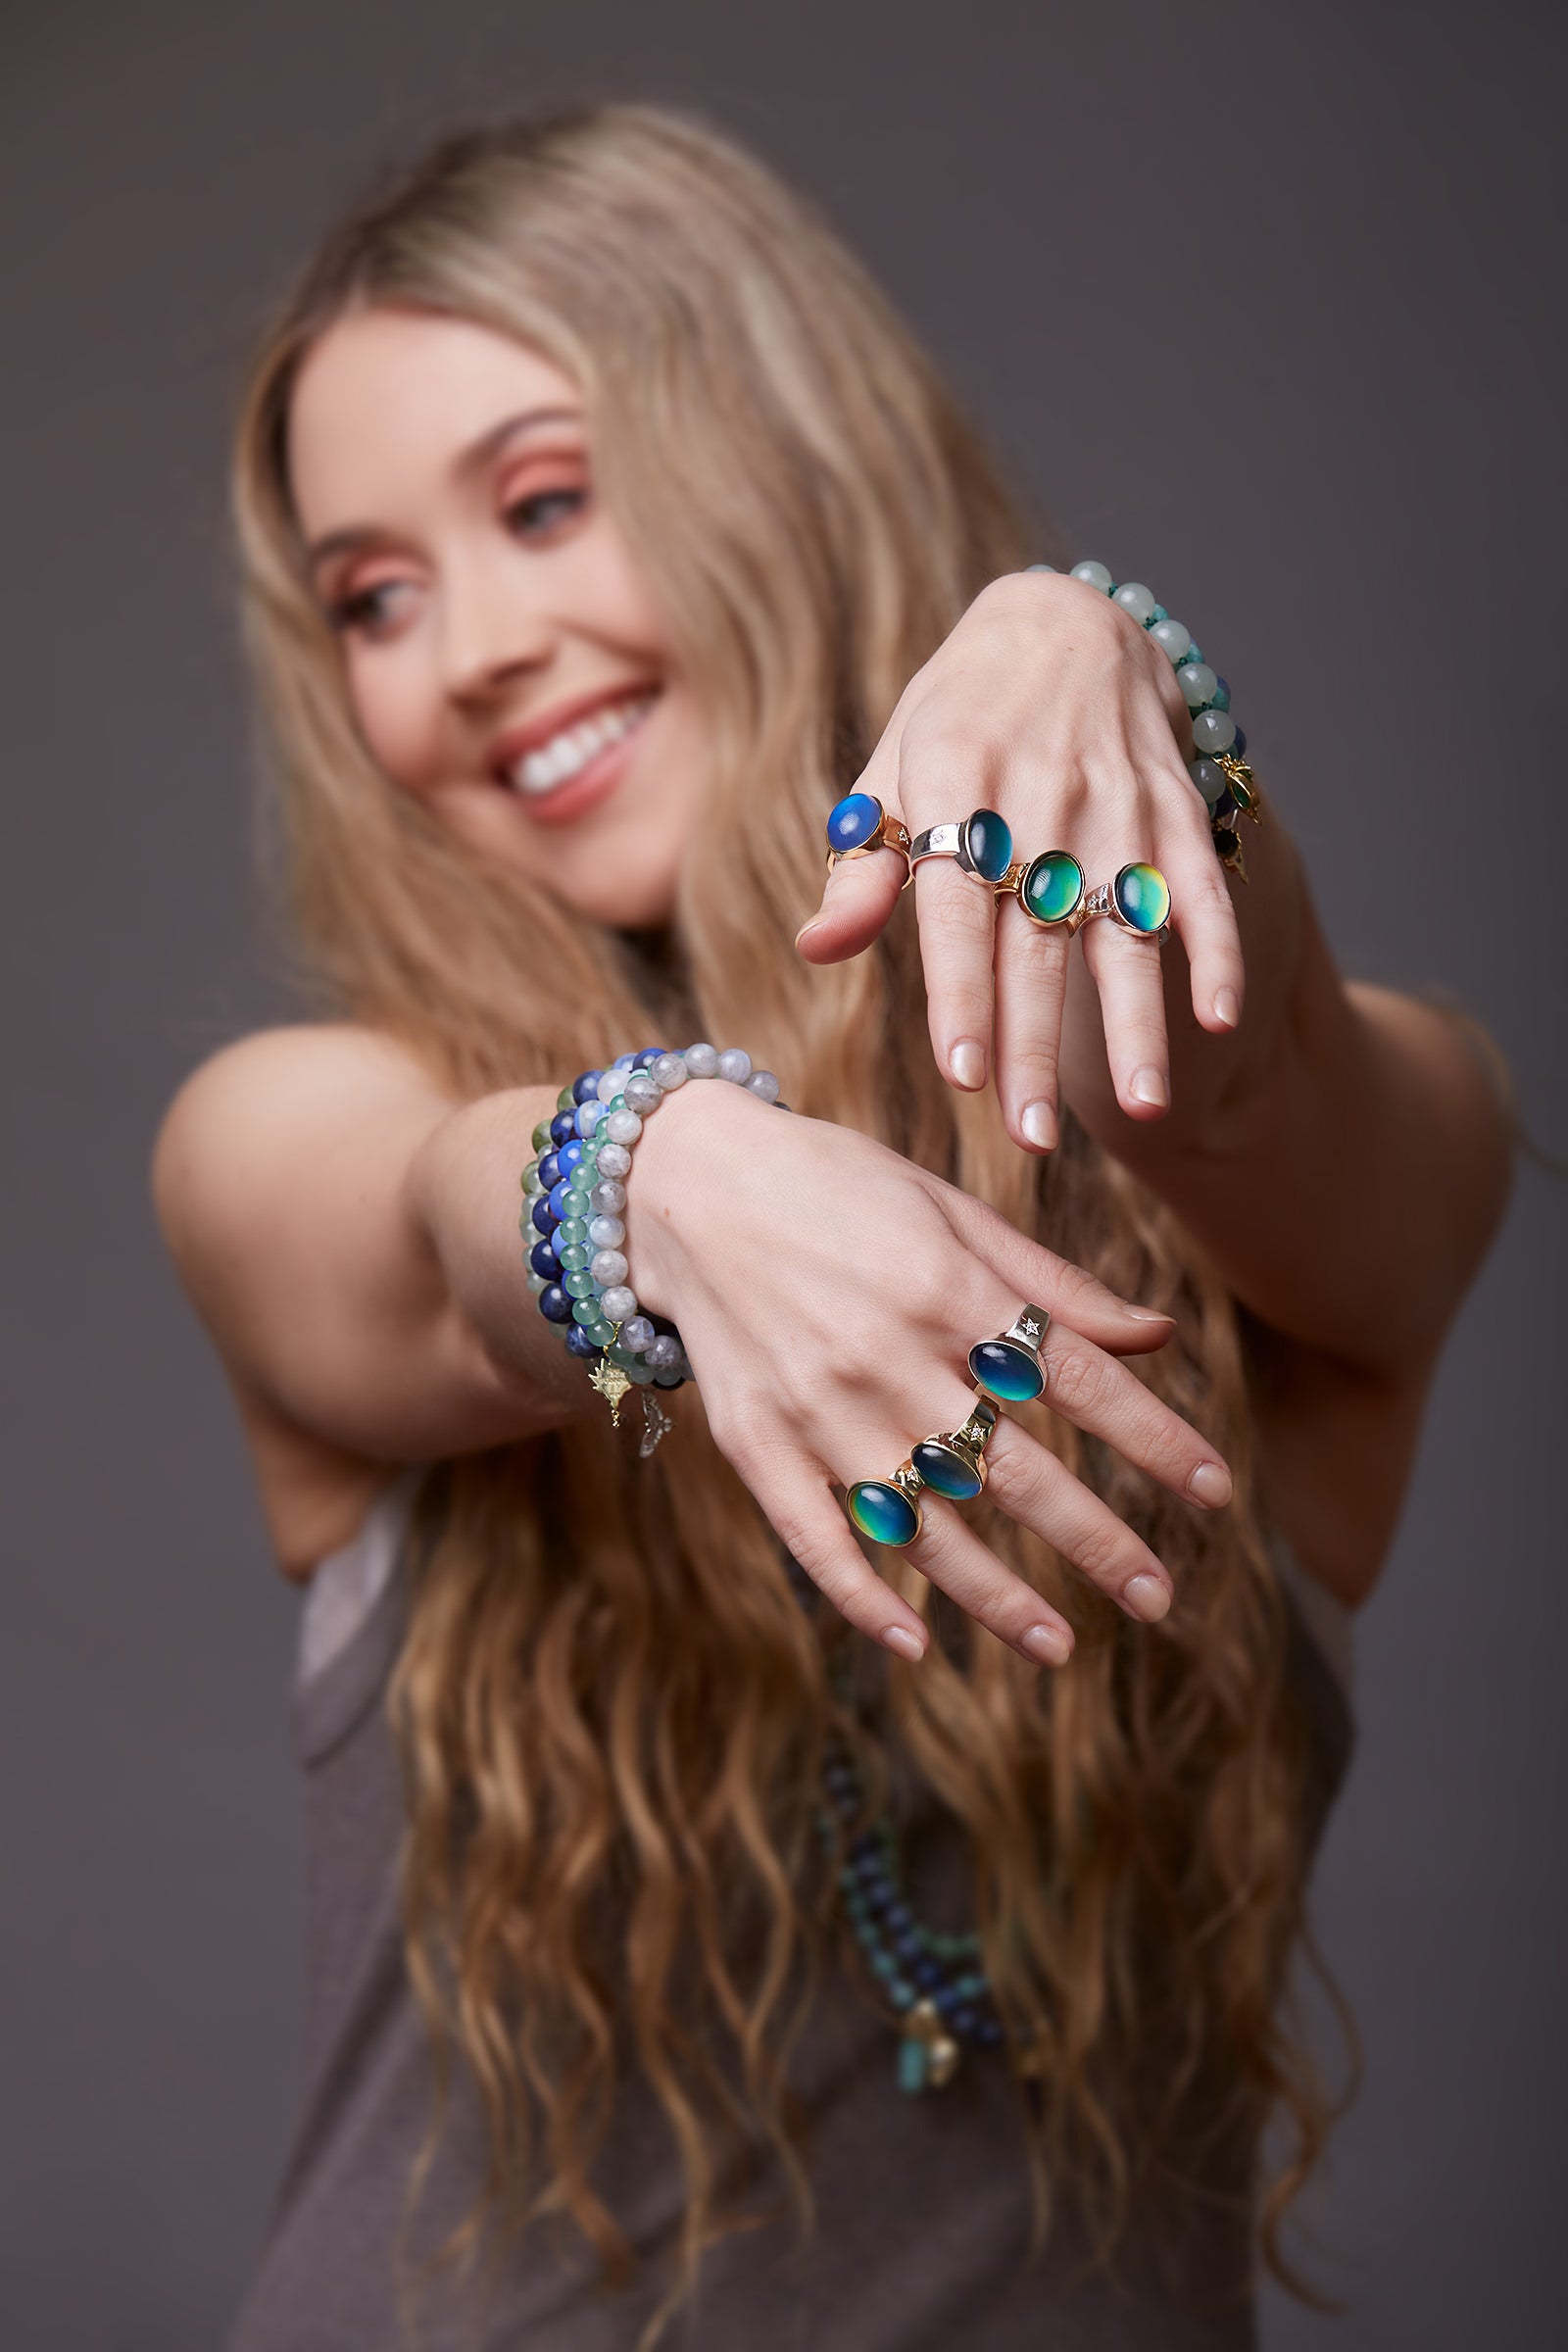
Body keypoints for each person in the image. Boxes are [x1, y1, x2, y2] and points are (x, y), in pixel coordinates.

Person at [152, 104, 1511, 2352]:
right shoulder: (289, 1123)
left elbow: (1267, 1073)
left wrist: (1116, 666)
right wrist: (655, 1172)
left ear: (776, 453)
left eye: (544, 500)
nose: (471, 646)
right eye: (373, 596)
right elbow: (418, 1227)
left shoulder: (1355, 1163)